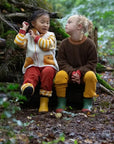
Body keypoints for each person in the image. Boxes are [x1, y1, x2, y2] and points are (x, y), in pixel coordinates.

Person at [14, 9, 58, 112]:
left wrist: (36, 38)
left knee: (48, 73)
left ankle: (44, 102)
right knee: (31, 73)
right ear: (33, 23)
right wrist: (23, 29)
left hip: (48, 65)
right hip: (32, 64)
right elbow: (18, 43)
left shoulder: (51, 35)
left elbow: (48, 46)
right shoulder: (28, 36)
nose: (45, 25)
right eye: (42, 22)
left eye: (47, 22)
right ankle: (28, 88)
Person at [54, 15, 98, 113]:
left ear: (79, 26)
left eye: (69, 22)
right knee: (60, 75)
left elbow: (92, 63)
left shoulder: (89, 44)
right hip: (69, 75)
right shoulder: (64, 44)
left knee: (91, 76)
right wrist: (73, 73)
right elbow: (61, 62)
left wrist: (79, 72)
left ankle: (87, 103)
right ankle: (61, 102)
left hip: (84, 76)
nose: (66, 24)